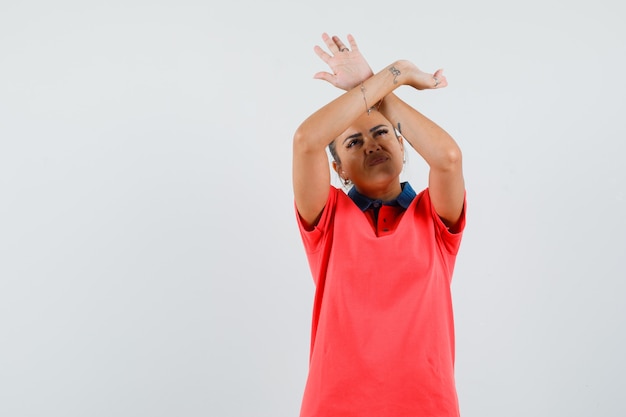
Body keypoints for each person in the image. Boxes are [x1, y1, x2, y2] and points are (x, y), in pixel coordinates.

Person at [292, 33, 467, 417]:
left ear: (403, 144)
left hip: (428, 406)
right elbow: (306, 141)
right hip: (335, 407)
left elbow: (449, 158)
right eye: (352, 142)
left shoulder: (433, 217)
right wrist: (395, 74)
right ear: (336, 169)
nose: (371, 144)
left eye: (382, 131)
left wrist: (379, 82)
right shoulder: (328, 219)